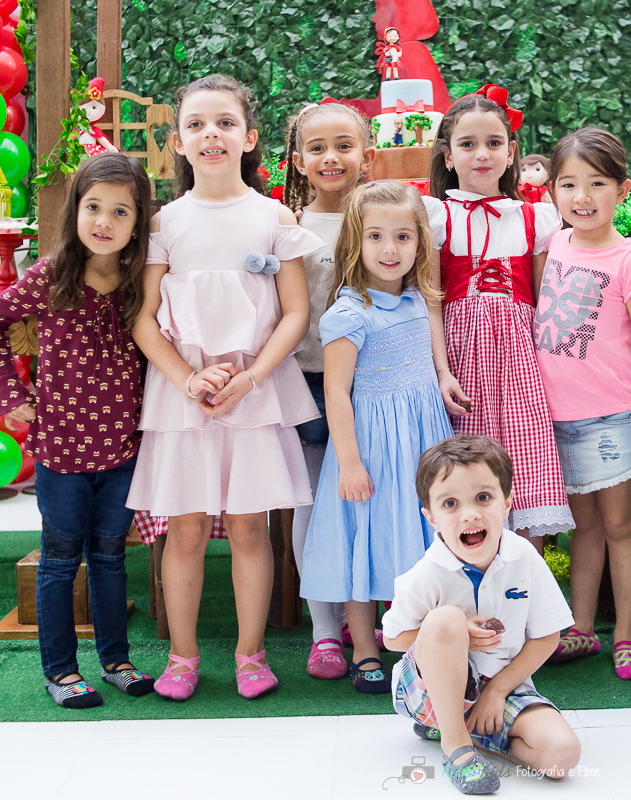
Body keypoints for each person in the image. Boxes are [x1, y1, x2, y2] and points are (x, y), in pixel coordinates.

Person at [127, 74, 325, 701]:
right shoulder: (164, 222)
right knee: (184, 528)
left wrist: (250, 377)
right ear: (178, 142)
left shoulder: (274, 216)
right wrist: (188, 378)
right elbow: (143, 317)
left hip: (256, 394)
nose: (211, 134)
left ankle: (250, 653)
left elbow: (295, 312)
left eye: (224, 122)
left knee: (248, 526)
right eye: (196, 124)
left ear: (249, 136)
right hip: (181, 397)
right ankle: (182, 655)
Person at [0, 153, 155, 708]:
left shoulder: (138, 282)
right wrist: (9, 394)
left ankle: (115, 660)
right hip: (60, 451)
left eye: (120, 212)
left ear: (137, 222)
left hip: (122, 449)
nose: (104, 221)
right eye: (93, 207)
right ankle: (59, 670)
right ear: (76, 210)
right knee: (59, 561)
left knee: (109, 558)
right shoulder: (51, 276)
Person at [300, 181, 454, 693]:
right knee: (362, 541)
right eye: (377, 238)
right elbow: (337, 394)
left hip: (420, 444)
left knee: (415, 543)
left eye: (404, 237)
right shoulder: (348, 314)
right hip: (370, 450)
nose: (391, 250)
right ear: (354, 244)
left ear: (419, 243)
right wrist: (348, 463)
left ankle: (415, 643)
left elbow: (432, 365)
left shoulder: (417, 300)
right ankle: (364, 648)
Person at [383, 435, 582, 795]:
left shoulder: (523, 556)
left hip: (504, 683)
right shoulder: (427, 572)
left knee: (562, 755)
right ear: (431, 516)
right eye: (450, 504)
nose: (470, 513)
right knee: (445, 620)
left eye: (483, 498)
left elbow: (548, 635)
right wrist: (456, 632)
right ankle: (456, 747)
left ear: (507, 503)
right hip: (429, 691)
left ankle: (469, 732)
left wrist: (497, 693)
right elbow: (393, 638)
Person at [533, 128, 631, 679]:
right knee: (582, 528)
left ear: (622, 189)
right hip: (552, 418)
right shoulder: (552, 246)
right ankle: (581, 629)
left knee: (619, 526)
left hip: (611, 417)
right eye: (569, 184)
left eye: (597, 183)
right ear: (553, 193)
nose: (582, 196)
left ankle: (626, 635)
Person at [424, 85, 573, 541]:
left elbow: (548, 304)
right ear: (448, 156)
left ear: (511, 153)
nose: (481, 155)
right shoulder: (437, 215)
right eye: (467, 145)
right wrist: (442, 370)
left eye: (493, 144)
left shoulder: (534, 217)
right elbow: (431, 299)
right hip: (462, 358)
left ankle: (523, 588)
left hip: (519, 361)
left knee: (525, 459)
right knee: (463, 467)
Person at [283, 100, 376, 681]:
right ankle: (324, 628)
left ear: (367, 155)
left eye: (344, 145)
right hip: (309, 379)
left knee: (372, 495)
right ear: (297, 161)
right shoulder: (288, 229)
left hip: (378, 380)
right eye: (316, 148)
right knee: (313, 503)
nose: (330, 157)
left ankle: (373, 613)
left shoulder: (391, 213)